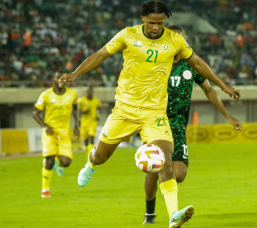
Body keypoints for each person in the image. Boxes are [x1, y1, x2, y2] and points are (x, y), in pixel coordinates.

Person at [59, 2, 240, 227]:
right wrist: (75, 74)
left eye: (160, 23)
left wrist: (223, 85)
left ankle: (174, 216)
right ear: (144, 19)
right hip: (124, 110)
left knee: (164, 162)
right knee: (101, 156)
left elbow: (197, 62)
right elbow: (100, 55)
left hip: (154, 113)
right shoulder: (128, 35)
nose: (156, 27)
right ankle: (91, 164)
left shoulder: (174, 40)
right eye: (152, 23)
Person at [143, 25, 243, 224]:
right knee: (159, 166)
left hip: (179, 125)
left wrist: (228, 116)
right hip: (156, 123)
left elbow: (209, 91)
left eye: (182, 39)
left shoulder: (191, 65)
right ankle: (150, 213)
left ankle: (161, 190)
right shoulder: (155, 63)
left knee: (178, 174)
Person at [32, 72, 79, 198]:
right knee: (49, 160)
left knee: (66, 162)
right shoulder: (46, 95)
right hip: (50, 132)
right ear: (52, 81)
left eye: (62, 78)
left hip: (64, 133)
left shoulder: (72, 94)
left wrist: (76, 124)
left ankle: (57, 158)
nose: (60, 80)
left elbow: (75, 108)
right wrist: (45, 126)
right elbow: (35, 113)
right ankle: (45, 189)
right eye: (57, 78)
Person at [78, 85, 101, 156]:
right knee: (86, 140)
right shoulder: (81, 100)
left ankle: (91, 153)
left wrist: (98, 116)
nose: (90, 92)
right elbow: (78, 111)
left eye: (91, 90)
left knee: (91, 137)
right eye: (89, 90)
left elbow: (99, 109)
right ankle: (87, 152)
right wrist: (84, 112)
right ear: (86, 92)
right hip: (84, 122)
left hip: (93, 122)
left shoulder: (96, 101)